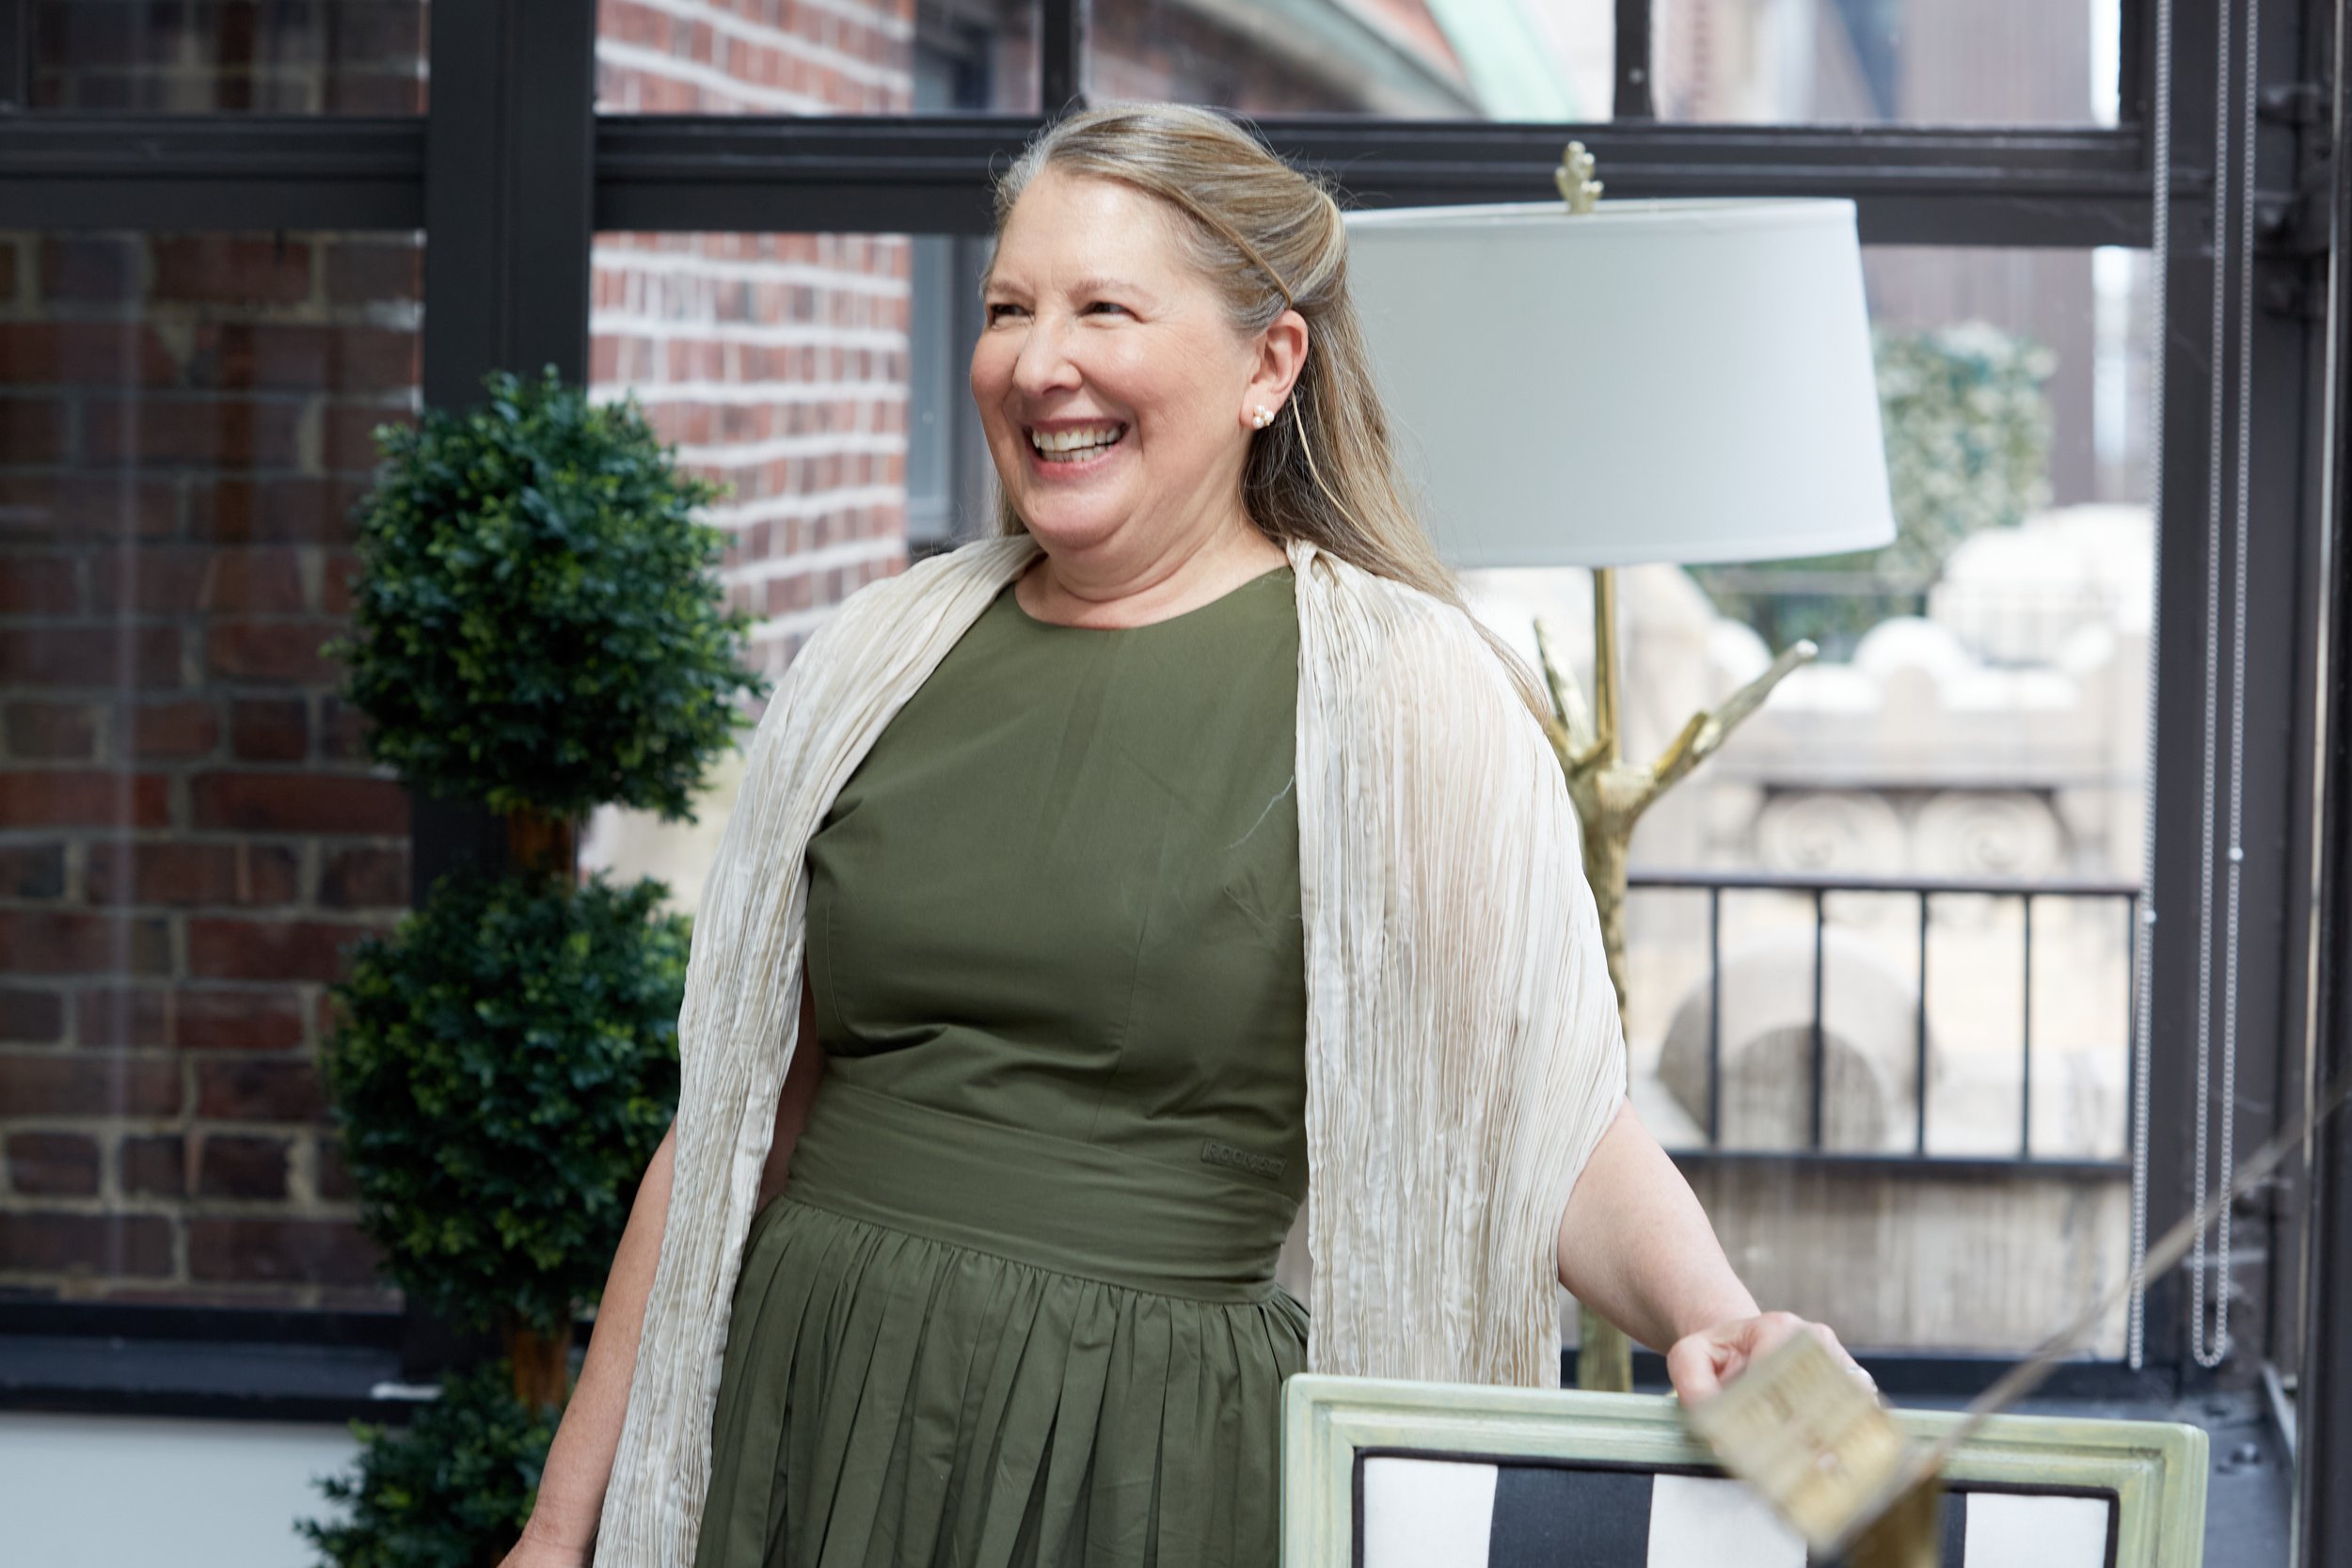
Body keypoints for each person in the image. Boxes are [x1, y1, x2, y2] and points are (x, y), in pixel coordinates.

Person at [500, 103, 1865, 1568]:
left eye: (1104, 310)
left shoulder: (1402, 692)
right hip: (811, 1414)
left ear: (1268, 366)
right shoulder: (870, 663)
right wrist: (561, 1529)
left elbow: (1544, 1119)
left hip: (1146, 1462)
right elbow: (727, 1138)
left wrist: (1719, 1319)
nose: (1039, 364)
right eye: (1009, 308)